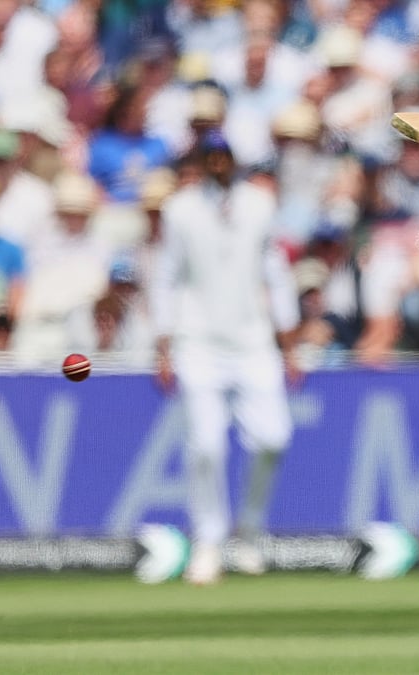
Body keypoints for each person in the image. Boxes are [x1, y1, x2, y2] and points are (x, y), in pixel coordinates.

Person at [150, 130, 302, 586]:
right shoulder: (180, 210)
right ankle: (209, 541)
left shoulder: (258, 204)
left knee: (274, 437)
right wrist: (164, 344)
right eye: (210, 157)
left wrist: (288, 342)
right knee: (208, 445)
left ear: (233, 160)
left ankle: (249, 531)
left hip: (253, 341)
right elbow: (167, 277)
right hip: (197, 342)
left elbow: (275, 273)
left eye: (224, 156)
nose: (217, 164)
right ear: (200, 161)